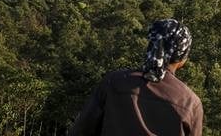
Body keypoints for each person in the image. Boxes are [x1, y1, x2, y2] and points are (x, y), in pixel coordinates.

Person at [68, 19, 203, 136]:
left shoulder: (113, 82)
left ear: (151, 45)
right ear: (182, 57)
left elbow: (81, 130)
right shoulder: (191, 103)